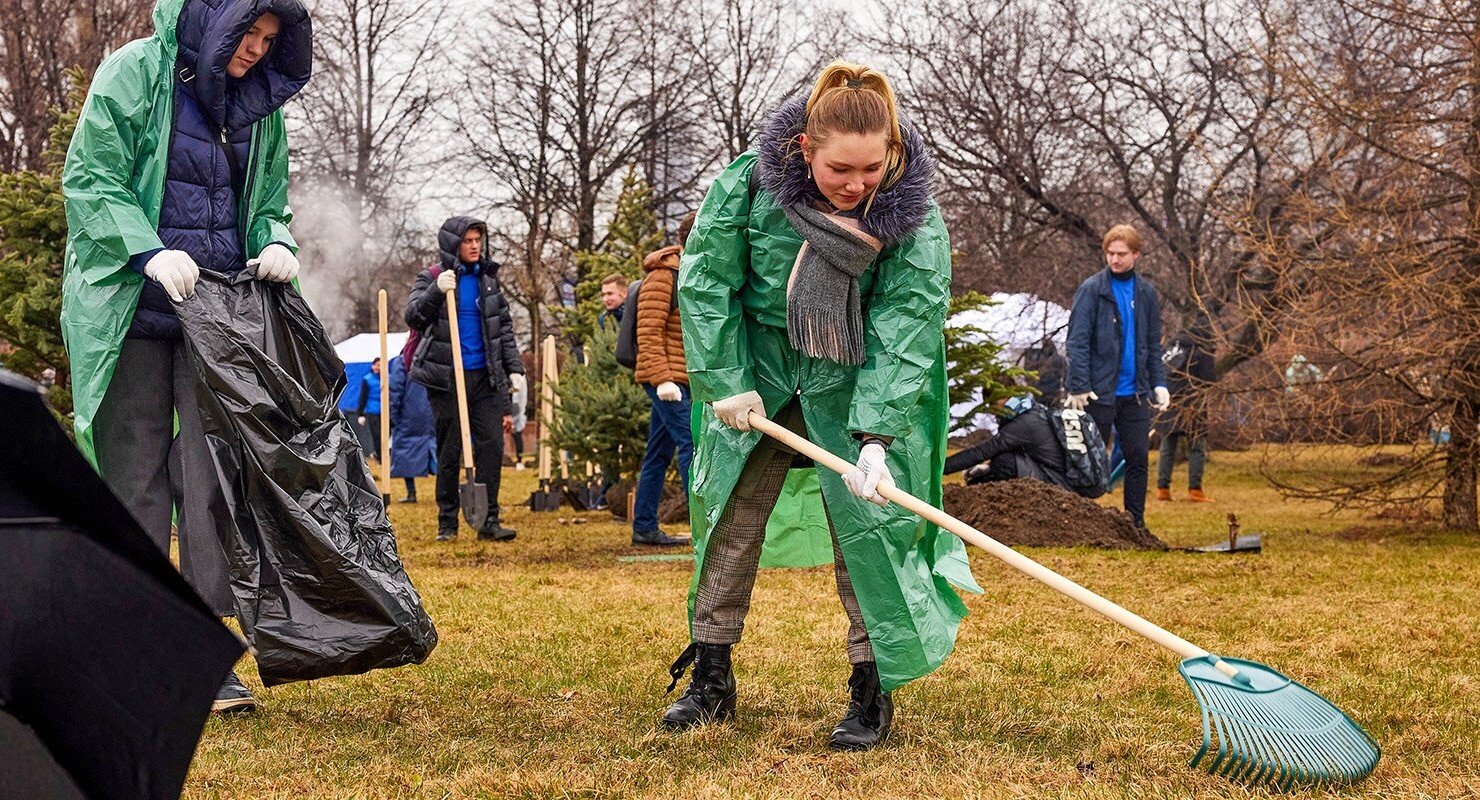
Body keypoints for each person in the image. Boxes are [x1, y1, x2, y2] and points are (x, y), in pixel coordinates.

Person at [667, 60, 979, 751]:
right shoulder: (747, 184)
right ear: (805, 150)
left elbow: (906, 323)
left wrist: (874, 438)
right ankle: (712, 680)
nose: (858, 185)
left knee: (868, 536)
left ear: (892, 153)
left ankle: (871, 691)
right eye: (841, 170)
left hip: (858, 380)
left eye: (872, 169)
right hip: (760, 378)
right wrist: (725, 380)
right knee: (729, 524)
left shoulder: (912, 213)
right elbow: (708, 280)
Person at [60, 0, 312, 714]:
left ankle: (204, 651)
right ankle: (135, 643)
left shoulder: (260, 106)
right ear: (216, 19)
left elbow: (268, 200)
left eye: (269, 41)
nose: (257, 52)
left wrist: (275, 240)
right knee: (132, 480)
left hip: (215, 317)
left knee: (211, 483)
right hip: (131, 310)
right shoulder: (132, 74)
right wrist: (145, 250)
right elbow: (93, 179)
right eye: (248, 35)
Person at [404, 217, 526, 543]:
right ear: (453, 244)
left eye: (478, 240)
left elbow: (504, 330)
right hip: (446, 376)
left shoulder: (489, 281)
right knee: (450, 448)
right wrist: (436, 290)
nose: (474, 246)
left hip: (484, 377)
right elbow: (413, 315)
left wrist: (513, 368)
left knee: (492, 444)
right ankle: (448, 522)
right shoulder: (433, 276)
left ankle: (488, 520)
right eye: (468, 241)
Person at [1064, 224, 1169, 531]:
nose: (1115, 259)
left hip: (1135, 393)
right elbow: (1077, 340)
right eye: (1110, 253)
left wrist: (1158, 382)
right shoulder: (1092, 290)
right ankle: (1081, 522)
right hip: (1099, 393)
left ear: (1135, 254)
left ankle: (1135, 522)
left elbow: (1152, 343)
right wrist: (1079, 385)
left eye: (1122, 254)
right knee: (1091, 461)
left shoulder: (1146, 293)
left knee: (1137, 457)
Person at [630, 213, 697, 547]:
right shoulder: (662, 276)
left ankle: (644, 526)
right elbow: (648, 331)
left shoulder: (692, 270)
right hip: (667, 378)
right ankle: (702, 527)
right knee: (691, 444)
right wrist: (661, 379)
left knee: (657, 453)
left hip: (682, 376)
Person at [944, 395, 1071, 487]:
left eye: (993, 403)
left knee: (1004, 462)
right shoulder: (1031, 409)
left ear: (1005, 396)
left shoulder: (1023, 423)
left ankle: (973, 492)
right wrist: (988, 468)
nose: (992, 410)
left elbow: (983, 451)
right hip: (1059, 477)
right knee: (1003, 460)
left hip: (1059, 483)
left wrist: (940, 467)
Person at [1157, 326, 1217, 503]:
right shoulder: (1202, 352)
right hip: (1193, 403)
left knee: (1167, 447)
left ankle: (1163, 488)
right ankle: (1195, 490)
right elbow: (1208, 379)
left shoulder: (1171, 350)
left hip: (1169, 402)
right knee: (1197, 447)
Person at [388, 353, 435, 503]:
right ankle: (447, 491)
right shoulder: (432, 358)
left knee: (405, 452)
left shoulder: (402, 361)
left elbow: (395, 390)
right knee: (437, 450)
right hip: (431, 413)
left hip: (407, 415)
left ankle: (411, 492)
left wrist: (393, 416)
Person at [356, 357, 383, 459]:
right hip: (373, 411)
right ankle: (380, 457)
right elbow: (363, 397)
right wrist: (360, 414)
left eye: (380, 365)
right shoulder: (367, 379)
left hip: (387, 412)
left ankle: (384, 456)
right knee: (377, 436)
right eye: (376, 365)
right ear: (373, 366)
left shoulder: (388, 378)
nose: (378, 367)